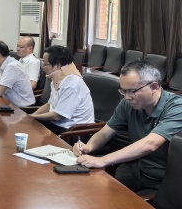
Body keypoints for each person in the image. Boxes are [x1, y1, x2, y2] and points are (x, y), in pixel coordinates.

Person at [74, 60, 182, 194]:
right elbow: (105, 133)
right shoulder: (129, 104)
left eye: (132, 91)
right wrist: (88, 147)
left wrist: (102, 160)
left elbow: (150, 144)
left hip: (164, 182)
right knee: (93, 192)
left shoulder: (177, 107)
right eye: (123, 91)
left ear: (154, 87)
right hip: (137, 170)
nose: (127, 97)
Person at [30, 46, 94, 135]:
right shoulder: (56, 81)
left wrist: (33, 117)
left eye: (45, 64)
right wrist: (32, 116)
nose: (43, 67)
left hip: (73, 132)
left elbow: (57, 116)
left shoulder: (72, 84)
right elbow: (49, 105)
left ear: (58, 66)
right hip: (56, 125)